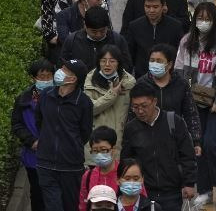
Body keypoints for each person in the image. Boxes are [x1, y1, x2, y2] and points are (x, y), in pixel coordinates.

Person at [175, 2, 216, 206]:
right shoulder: (186, 41)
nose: (203, 22)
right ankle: (202, 188)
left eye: (208, 19)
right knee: (198, 145)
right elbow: (178, 70)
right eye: (200, 18)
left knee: (213, 143)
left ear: (215, 20)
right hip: (193, 101)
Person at [121, 82, 197, 211]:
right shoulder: (131, 128)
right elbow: (127, 160)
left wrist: (188, 183)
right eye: (135, 107)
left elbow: (187, 155)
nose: (140, 111)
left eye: (144, 106)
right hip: (144, 193)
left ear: (154, 101)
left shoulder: (174, 121)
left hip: (172, 193)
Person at [36, 59, 92, 211]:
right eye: (62, 67)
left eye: (65, 69)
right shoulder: (46, 95)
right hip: (45, 163)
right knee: (53, 206)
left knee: (71, 205)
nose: (60, 70)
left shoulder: (84, 102)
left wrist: (70, 145)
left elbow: (85, 132)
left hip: (70, 166)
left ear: (73, 79)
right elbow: (39, 120)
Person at [137, 43, 201, 150]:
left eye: (159, 61)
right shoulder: (141, 83)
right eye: (152, 60)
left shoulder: (181, 84)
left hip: (174, 140)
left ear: (170, 64)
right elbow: (133, 114)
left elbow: (191, 113)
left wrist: (196, 141)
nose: (154, 64)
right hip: (146, 140)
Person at [11, 59, 55, 211]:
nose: (46, 80)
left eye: (49, 76)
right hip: (33, 156)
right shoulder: (24, 99)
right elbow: (17, 125)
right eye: (42, 77)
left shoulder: (60, 96)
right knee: (37, 193)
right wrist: (31, 141)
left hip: (56, 156)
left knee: (56, 194)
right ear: (33, 78)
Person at [83, 44, 136, 162]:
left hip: (119, 142)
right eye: (103, 61)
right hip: (95, 142)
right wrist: (112, 94)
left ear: (118, 63)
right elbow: (90, 109)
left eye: (112, 61)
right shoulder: (90, 81)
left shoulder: (129, 83)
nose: (107, 65)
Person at [79, 126, 143, 211]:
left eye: (103, 150)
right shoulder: (88, 176)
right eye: (95, 151)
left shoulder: (126, 171)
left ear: (114, 149)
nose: (99, 154)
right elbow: (83, 205)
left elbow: (142, 202)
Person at [125, 0, 184, 77]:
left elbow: (179, 55)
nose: (151, 10)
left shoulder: (175, 26)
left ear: (163, 5)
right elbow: (130, 55)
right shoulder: (135, 26)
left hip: (168, 77)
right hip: (142, 78)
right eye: (147, 7)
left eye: (155, 7)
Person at [61, 6, 132, 71]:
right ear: (85, 26)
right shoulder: (72, 40)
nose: (98, 35)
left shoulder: (117, 40)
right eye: (94, 32)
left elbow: (127, 66)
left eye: (102, 31)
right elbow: (62, 66)